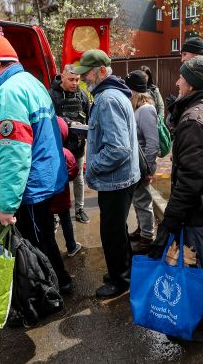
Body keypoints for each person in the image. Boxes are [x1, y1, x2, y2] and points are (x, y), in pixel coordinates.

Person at [0, 24, 73, 294]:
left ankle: (53, 289)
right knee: (43, 237)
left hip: (29, 187)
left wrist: (6, 204)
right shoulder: (30, 82)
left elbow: (14, 155)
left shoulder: (8, 95)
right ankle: (59, 282)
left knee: (35, 243)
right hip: (41, 180)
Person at [152, 55, 203, 344]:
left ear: (192, 85)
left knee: (191, 269)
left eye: (182, 78)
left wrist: (170, 222)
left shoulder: (193, 119)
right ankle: (197, 324)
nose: (177, 82)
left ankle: (200, 328)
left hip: (197, 211)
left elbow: (189, 180)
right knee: (199, 265)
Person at [72, 49, 141, 299]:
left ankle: (120, 280)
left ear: (102, 70)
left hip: (116, 180)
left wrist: (92, 166)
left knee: (111, 232)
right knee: (117, 229)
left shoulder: (107, 99)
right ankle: (124, 271)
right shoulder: (112, 94)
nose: (84, 79)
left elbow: (118, 148)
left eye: (87, 74)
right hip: (122, 177)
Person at [49, 65, 90, 224]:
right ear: (62, 77)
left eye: (77, 80)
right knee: (58, 178)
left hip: (77, 145)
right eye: (71, 79)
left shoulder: (83, 96)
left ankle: (79, 209)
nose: (74, 83)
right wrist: (67, 122)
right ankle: (56, 214)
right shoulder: (51, 95)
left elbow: (89, 118)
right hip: (58, 146)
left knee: (79, 177)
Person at [124, 70, 159, 254]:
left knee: (144, 201)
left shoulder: (146, 110)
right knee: (138, 201)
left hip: (144, 165)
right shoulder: (137, 108)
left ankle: (147, 237)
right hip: (138, 164)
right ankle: (141, 230)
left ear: (134, 91)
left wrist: (148, 169)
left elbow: (152, 143)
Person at [50, 117, 83, 257]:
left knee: (48, 223)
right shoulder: (64, 152)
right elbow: (73, 171)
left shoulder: (38, 151)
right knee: (66, 221)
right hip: (62, 196)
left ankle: (51, 250)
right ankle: (71, 246)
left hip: (45, 198)